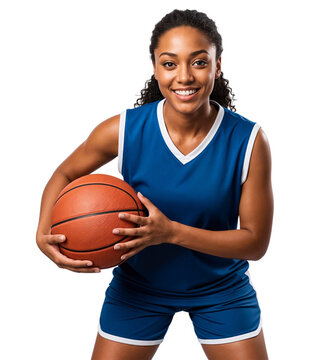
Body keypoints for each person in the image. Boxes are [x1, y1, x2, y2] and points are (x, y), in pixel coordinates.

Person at [35, 9, 273, 360]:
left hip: (221, 287)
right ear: (155, 68)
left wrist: (172, 232)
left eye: (199, 62)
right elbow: (65, 174)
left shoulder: (249, 140)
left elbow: (255, 242)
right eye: (170, 63)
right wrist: (43, 233)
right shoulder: (124, 130)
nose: (185, 76)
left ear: (217, 66)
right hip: (139, 286)